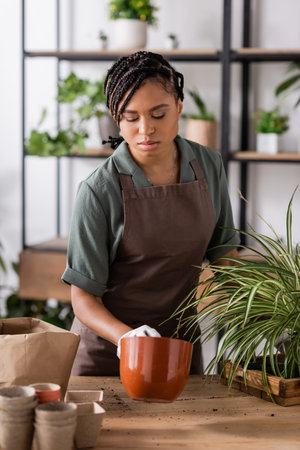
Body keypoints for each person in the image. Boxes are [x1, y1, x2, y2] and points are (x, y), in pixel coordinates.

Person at [62, 51, 240, 376]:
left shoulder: (208, 166)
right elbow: (83, 298)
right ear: (117, 119)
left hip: (179, 350)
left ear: (179, 107)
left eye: (159, 114)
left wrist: (258, 312)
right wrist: (127, 337)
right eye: (131, 118)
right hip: (108, 356)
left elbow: (224, 254)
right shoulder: (98, 190)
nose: (146, 130)